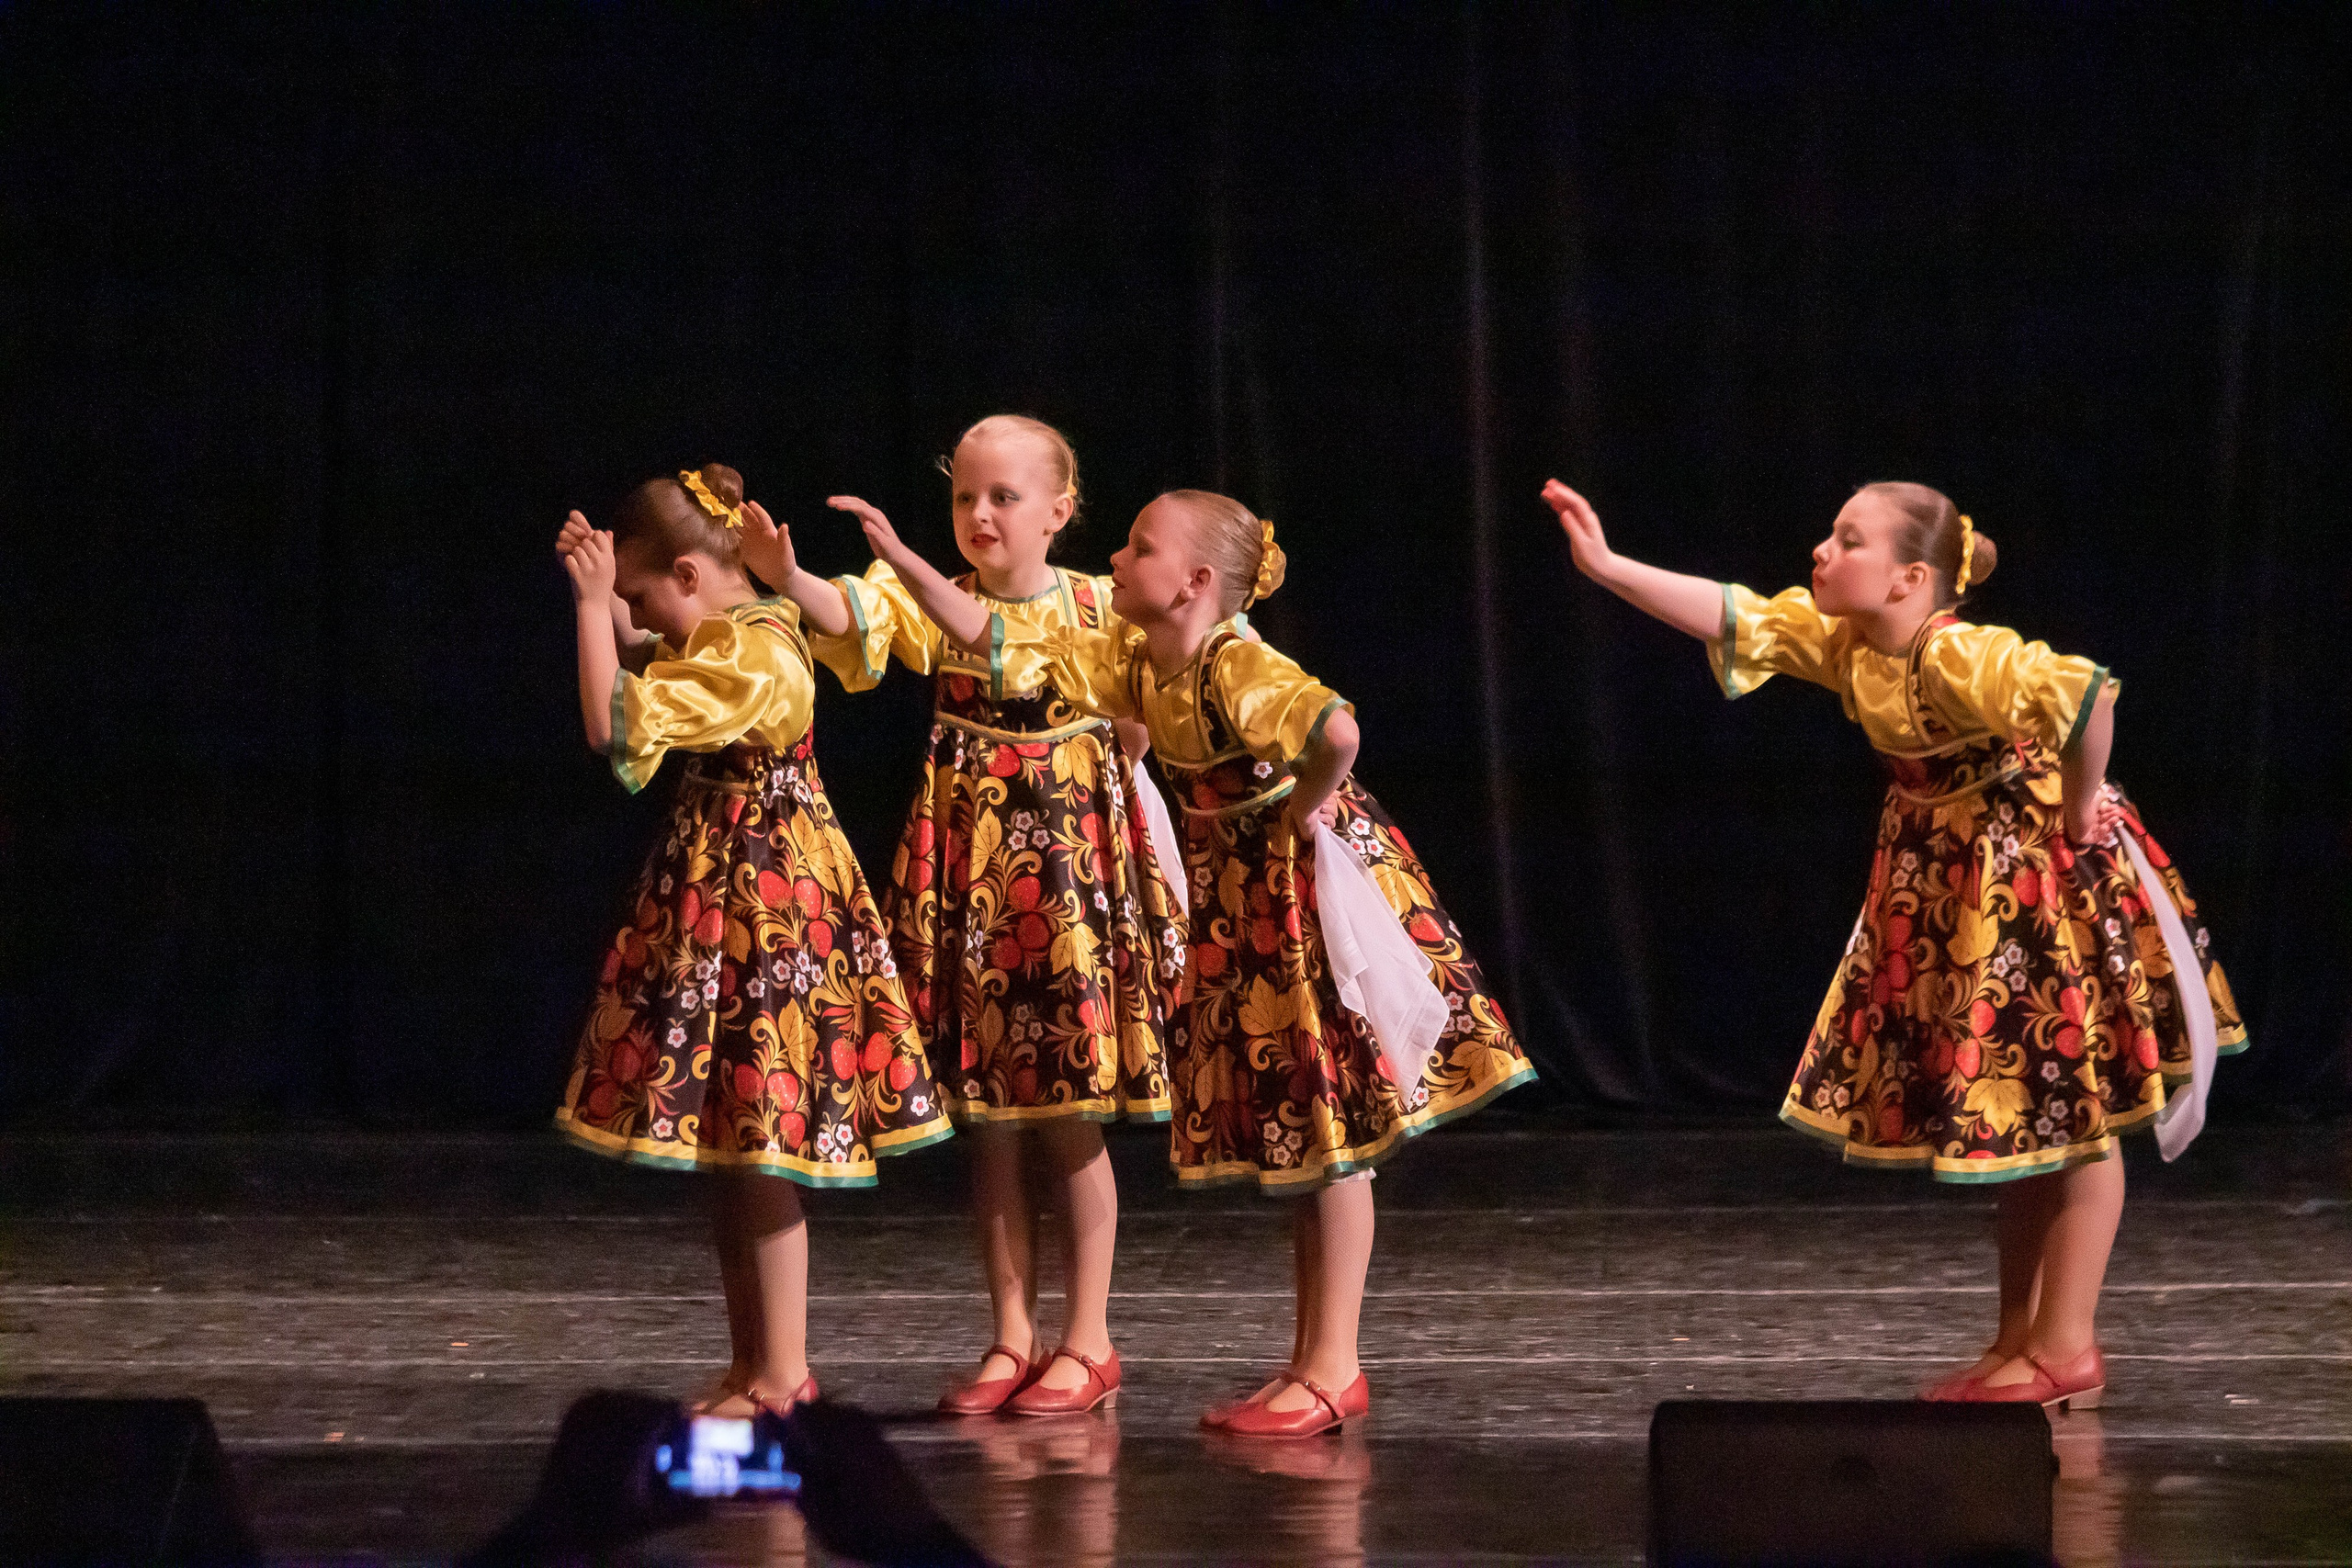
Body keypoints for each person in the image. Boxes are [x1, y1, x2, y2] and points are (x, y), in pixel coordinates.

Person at [1544, 476, 2245, 1409]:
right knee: (2022, 1118)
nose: (1821, 554)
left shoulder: (1960, 657)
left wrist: (2079, 812)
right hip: (1954, 887)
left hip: (2029, 886)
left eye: (1848, 540)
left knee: (2074, 1114)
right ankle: (2017, 1342)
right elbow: (1735, 617)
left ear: (1912, 578)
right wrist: (1604, 564)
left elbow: (2086, 698)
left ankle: (2066, 1344)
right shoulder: (1854, 644)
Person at [555, 464, 952, 1417]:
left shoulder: (756, 657)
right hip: (728, 893)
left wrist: (588, 609)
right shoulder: (737, 632)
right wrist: (613, 603)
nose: (641, 618)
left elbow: (613, 724)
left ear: (690, 575)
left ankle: (780, 1372)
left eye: (649, 594)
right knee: (730, 1145)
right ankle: (752, 1367)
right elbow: (654, 653)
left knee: (763, 1142)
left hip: (769, 908)